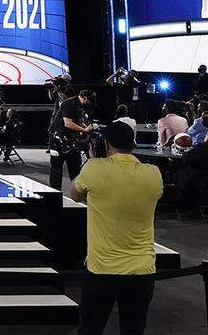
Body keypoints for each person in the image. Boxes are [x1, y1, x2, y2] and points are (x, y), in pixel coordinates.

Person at [67, 122, 162, 335]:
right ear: (133, 143)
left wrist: (92, 161)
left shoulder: (95, 168)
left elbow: (74, 192)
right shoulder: (153, 173)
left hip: (102, 270)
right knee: (133, 330)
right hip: (142, 269)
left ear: (106, 143)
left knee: (91, 328)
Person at [47, 88, 97, 190]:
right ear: (85, 98)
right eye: (89, 101)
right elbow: (67, 123)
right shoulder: (69, 103)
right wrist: (85, 130)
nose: (89, 104)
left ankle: (78, 192)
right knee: (57, 169)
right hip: (58, 140)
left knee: (75, 168)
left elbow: (77, 121)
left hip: (71, 140)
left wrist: (87, 127)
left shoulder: (79, 106)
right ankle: (55, 195)